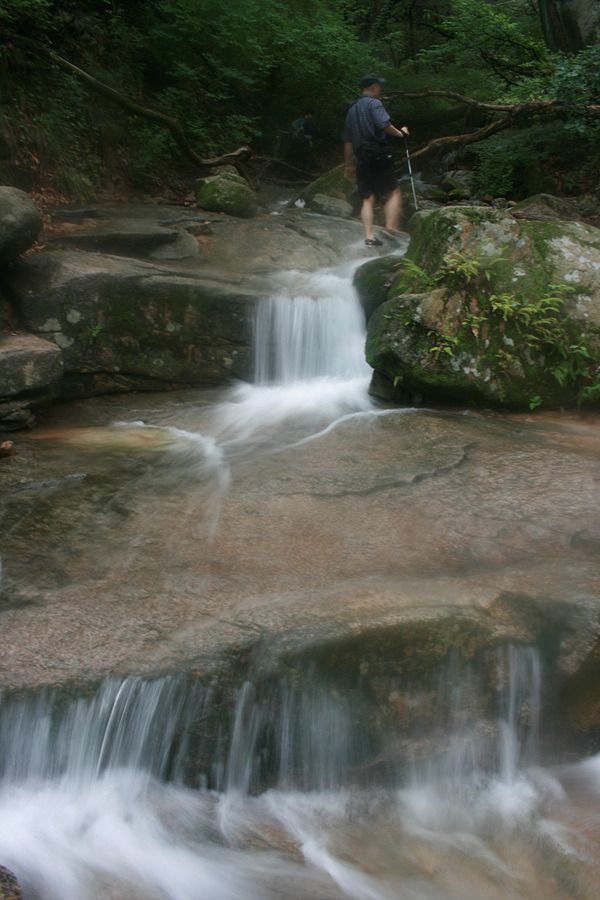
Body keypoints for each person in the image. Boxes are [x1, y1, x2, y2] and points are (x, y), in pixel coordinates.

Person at [343, 75, 409, 247]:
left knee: (367, 197)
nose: (380, 89)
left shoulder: (352, 110)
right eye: (379, 86)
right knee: (393, 191)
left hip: (361, 156)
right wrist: (401, 133)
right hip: (378, 153)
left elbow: (348, 141)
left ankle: (369, 237)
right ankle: (390, 229)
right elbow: (383, 125)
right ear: (373, 87)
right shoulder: (374, 103)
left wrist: (348, 164)